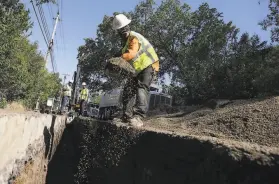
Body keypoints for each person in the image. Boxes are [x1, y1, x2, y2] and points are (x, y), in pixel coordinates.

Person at [112, 14, 159, 127]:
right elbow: (125, 53)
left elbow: (131, 53)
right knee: (128, 91)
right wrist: (115, 57)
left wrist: (118, 59)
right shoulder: (127, 43)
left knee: (141, 88)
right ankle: (126, 116)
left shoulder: (133, 37)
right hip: (138, 70)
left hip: (149, 66)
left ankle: (139, 117)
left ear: (121, 31)